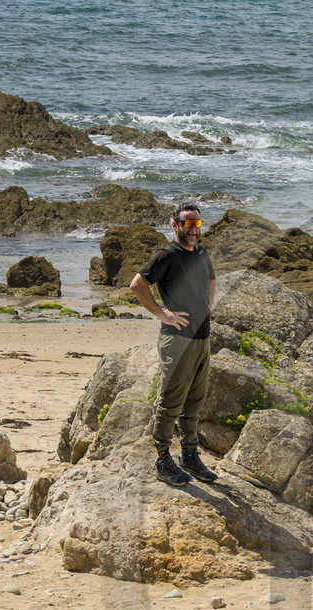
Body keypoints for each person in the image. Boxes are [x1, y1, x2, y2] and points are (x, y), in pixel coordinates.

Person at [129, 200, 218, 487]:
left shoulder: (202, 253)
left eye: (197, 223)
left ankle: (190, 456)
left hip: (202, 337)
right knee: (170, 402)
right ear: (175, 226)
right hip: (177, 340)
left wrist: (208, 304)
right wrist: (162, 314)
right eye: (187, 224)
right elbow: (137, 284)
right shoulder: (166, 255)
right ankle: (162, 458)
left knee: (195, 401)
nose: (193, 229)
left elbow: (212, 279)